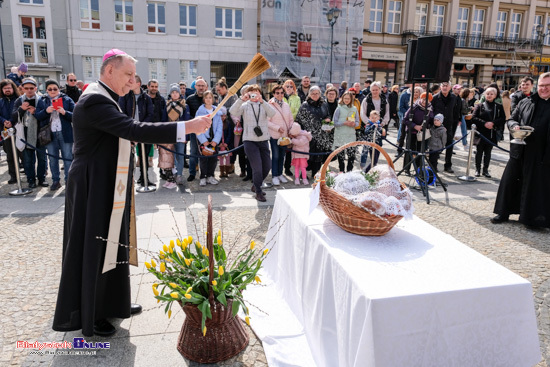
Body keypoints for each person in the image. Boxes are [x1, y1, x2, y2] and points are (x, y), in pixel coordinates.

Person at [52, 48, 211, 337]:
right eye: (128, 75)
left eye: (134, 77)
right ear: (109, 70)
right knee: (97, 244)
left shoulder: (110, 97)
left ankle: (114, 302)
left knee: (116, 241)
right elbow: (133, 130)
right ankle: (93, 311)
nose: (132, 82)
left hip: (109, 181)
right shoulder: (93, 101)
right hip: (93, 183)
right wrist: (186, 127)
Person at [492, 72, 550, 228]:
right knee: (510, 181)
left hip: (541, 154)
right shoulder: (526, 101)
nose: (544, 89)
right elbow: (511, 118)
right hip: (519, 149)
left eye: (547, 86)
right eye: (541, 86)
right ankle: (503, 212)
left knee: (535, 186)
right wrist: (513, 126)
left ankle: (532, 219)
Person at [230, 84, 275, 202]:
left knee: (267, 166)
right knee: (257, 168)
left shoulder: (264, 105)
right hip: (249, 140)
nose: (254, 94)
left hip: (263, 139)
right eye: (252, 92)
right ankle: (258, 191)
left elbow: (272, 114)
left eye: (256, 92)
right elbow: (232, 111)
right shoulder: (245, 105)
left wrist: (263, 101)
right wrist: (241, 99)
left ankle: (256, 184)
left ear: (260, 93)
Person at [35, 80, 76, 191]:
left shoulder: (67, 99)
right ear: (46, 90)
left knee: (67, 158)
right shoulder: (42, 100)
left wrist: (64, 112)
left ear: (59, 89)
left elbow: (75, 115)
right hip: (49, 133)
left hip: (65, 132)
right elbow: (37, 116)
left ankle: (69, 181)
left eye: (55, 89)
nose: (52, 91)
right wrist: (46, 111)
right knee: (52, 159)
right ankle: (55, 181)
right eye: (50, 89)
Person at [118, 74, 154, 187]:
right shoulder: (125, 96)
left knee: (144, 156)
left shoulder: (146, 97)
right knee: (129, 157)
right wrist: (131, 126)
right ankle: (129, 180)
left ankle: (144, 178)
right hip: (129, 130)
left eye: (132, 81)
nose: (129, 83)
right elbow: (121, 112)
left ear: (138, 84)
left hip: (143, 130)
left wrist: (141, 126)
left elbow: (150, 114)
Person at [11, 77, 48, 189]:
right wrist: (21, 109)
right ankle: (31, 179)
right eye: (26, 88)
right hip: (25, 131)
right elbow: (13, 117)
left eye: (32, 88)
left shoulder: (42, 99)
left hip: (40, 130)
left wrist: (35, 111)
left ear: (36, 88)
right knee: (28, 159)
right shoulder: (19, 100)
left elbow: (46, 115)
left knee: (42, 158)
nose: (29, 90)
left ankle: (42, 178)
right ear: (22, 88)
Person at [294, 86, 331, 179]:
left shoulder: (324, 104)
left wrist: (328, 119)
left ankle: (316, 173)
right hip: (308, 134)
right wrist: (302, 133)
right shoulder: (305, 105)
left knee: (318, 155)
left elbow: (328, 115)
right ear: (309, 95)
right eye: (313, 93)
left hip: (321, 133)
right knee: (308, 155)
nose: (315, 95)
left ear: (320, 94)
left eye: (317, 93)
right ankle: (304, 173)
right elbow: (299, 119)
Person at [469, 87, 505, 178]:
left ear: (495, 96)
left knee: (488, 153)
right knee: (479, 152)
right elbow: (474, 117)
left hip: (491, 133)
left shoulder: (499, 106)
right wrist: (484, 123)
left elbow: (503, 118)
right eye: (487, 94)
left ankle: (485, 170)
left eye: (491, 94)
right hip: (481, 132)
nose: (489, 95)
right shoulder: (479, 105)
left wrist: (493, 123)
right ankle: (477, 169)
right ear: (485, 95)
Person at [161, 84, 187, 189]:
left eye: (176, 92)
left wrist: (186, 135)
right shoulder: (166, 105)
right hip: (170, 133)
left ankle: (179, 174)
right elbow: (163, 119)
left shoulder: (184, 105)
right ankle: (172, 175)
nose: (175, 94)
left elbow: (187, 121)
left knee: (180, 155)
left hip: (181, 133)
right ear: (170, 94)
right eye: (173, 92)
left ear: (179, 94)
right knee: (170, 156)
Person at [431, 81, 461, 173]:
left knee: (449, 145)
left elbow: (456, 111)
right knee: (435, 147)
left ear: (450, 87)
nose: (444, 87)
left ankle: (448, 166)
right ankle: (434, 166)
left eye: (446, 86)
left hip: (449, 125)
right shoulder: (435, 98)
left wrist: (455, 123)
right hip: (437, 126)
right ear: (440, 87)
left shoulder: (454, 98)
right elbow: (431, 111)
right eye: (443, 85)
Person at [195, 90, 222, 186]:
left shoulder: (217, 111)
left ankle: (210, 175)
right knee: (203, 158)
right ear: (203, 99)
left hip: (214, 138)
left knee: (213, 159)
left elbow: (219, 127)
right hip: (204, 138)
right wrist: (203, 140)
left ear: (213, 99)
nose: (208, 100)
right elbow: (197, 126)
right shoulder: (200, 111)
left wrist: (216, 140)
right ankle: (203, 176)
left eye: (210, 98)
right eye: (206, 98)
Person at [360, 81, 389, 169]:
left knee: (376, 151)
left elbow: (387, 113)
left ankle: (372, 167)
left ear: (380, 90)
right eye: (373, 90)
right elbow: (362, 113)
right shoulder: (366, 99)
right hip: (369, 127)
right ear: (370, 90)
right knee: (366, 150)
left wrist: (383, 123)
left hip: (380, 127)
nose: (375, 91)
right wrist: (369, 123)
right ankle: (363, 167)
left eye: (376, 90)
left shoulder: (384, 100)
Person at [267, 85, 293, 185]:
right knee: (276, 156)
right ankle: (274, 175)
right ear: (273, 94)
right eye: (277, 93)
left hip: (285, 135)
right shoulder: (269, 105)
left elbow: (290, 118)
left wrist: (291, 128)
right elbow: (267, 121)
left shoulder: (286, 105)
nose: (280, 95)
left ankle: (280, 174)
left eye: (282, 93)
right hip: (274, 135)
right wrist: (277, 128)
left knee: (282, 156)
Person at [404, 92, 434, 172]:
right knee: (409, 150)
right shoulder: (414, 107)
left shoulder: (430, 109)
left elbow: (431, 120)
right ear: (420, 98)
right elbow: (405, 120)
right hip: (412, 132)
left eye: (427, 100)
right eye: (423, 99)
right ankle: (406, 169)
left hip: (422, 134)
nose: (425, 101)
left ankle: (418, 169)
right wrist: (415, 126)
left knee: (420, 152)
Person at [186, 78, 207, 182]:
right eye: (199, 85)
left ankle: (205, 174)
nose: (201, 87)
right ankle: (192, 173)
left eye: (203, 86)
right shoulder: (189, 99)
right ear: (195, 86)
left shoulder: (209, 98)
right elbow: (187, 115)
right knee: (193, 152)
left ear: (206, 87)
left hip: (206, 130)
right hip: (194, 130)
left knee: (205, 152)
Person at [332, 90, 359, 172]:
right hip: (340, 134)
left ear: (351, 99)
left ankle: (349, 171)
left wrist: (354, 124)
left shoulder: (354, 109)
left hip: (350, 134)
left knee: (351, 155)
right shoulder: (339, 108)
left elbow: (357, 122)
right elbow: (334, 122)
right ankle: (341, 170)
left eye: (348, 98)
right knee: (341, 156)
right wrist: (344, 123)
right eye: (345, 98)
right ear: (342, 98)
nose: (346, 100)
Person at [0, 79, 20, 184]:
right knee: (10, 155)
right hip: (6, 131)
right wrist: (4, 121)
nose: (7, 90)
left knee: (22, 154)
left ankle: (28, 175)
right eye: (5, 88)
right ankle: (13, 176)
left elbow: (19, 112)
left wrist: (12, 121)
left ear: (13, 88)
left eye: (9, 87)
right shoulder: (1, 101)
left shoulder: (18, 99)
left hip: (18, 129)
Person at [216, 81, 237, 174]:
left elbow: (234, 107)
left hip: (232, 122)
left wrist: (223, 110)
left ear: (224, 87)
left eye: (219, 90)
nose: (218, 92)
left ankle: (231, 164)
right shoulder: (221, 97)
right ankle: (224, 166)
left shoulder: (232, 95)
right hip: (224, 121)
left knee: (231, 144)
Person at [283, 79, 301, 176]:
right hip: (282, 125)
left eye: (291, 86)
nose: (289, 88)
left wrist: (290, 119)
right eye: (287, 86)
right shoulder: (281, 97)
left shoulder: (297, 98)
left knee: (289, 148)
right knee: (281, 147)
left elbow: (297, 111)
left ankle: (287, 168)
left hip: (292, 125)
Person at [217, 107, 234, 178]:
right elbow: (216, 134)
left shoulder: (228, 123)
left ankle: (226, 172)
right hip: (220, 145)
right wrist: (219, 143)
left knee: (227, 159)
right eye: (221, 116)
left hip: (227, 145)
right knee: (221, 159)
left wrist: (226, 142)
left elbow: (230, 134)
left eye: (224, 116)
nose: (223, 117)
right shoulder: (217, 124)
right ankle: (221, 172)